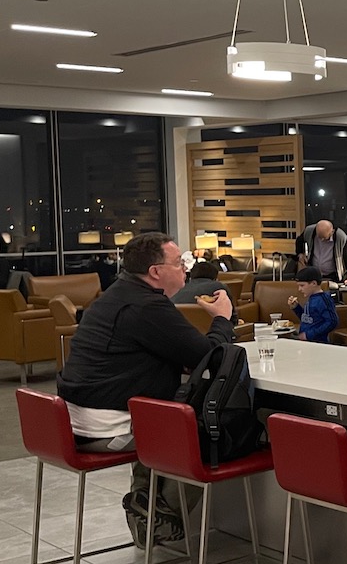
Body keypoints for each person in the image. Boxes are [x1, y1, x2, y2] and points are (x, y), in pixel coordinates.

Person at [56, 231, 234, 547]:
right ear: (155, 272)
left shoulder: (116, 295)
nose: (185, 269)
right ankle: (158, 517)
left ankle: (146, 502)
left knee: (168, 419)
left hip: (77, 420)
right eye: (178, 263)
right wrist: (222, 319)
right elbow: (207, 357)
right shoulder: (145, 306)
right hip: (105, 427)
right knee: (209, 434)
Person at [287, 267, 339, 343]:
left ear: (314, 283)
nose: (299, 289)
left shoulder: (324, 300)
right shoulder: (311, 298)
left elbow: (333, 322)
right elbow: (308, 318)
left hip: (319, 343)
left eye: (302, 285)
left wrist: (309, 334)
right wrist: (296, 307)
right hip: (307, 342)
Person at [296, 219, 347, 283]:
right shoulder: (310, 231)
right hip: (314, 274)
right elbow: (299, 241)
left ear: (332, 232)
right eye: (319, 237)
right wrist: (300, 254)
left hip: (333, 276)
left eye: (324, 238)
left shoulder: (341, 237)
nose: (321, 240)